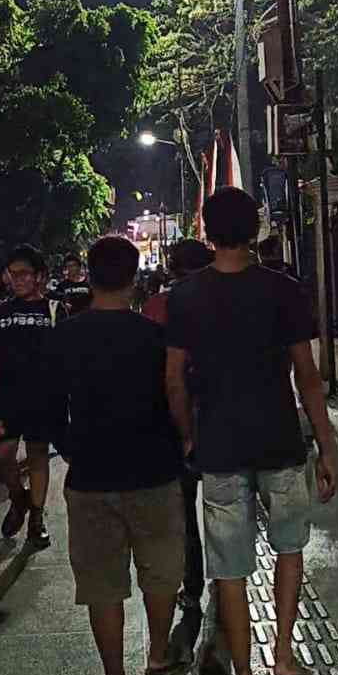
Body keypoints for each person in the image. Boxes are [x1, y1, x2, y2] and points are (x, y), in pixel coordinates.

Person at [166, 188, 338, 675]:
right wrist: (326, 447)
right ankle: (283, 655)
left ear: (206, 230)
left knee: (230, 570)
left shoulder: (186, 296)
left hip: (219, 444)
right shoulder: (284, 291)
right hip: (280, 440)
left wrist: (189, 434)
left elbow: (173, 378)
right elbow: (307, 377)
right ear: (257, 227)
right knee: (289, 550)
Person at [51, 235, 186, 675]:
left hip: (91, 473)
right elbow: (176, 397)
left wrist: (68, 447)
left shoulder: (65, 335)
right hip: (154, 468)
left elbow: (49, 406)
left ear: (88, 276)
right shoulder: (154, 337)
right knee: (161, 570)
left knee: (102, 583)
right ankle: (158, 655)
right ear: (134, 280)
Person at [142, 238, 213, 619]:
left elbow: (160, 374)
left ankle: (193, 586)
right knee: (223, 509)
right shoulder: (221, 301)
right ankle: (226, 581)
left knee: (184, 513)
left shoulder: (157, 307)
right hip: (219, 418)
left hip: (174, 420)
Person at [0, 245, 63, 548]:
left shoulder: (55, 310)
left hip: (44, 396)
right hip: (8, 395)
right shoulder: (1, 311)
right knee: (4, 455)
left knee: (38, 455)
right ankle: (19, 499)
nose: (17, 279)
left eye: (24, 273)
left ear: (39, 276)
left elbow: (65, 355)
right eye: (12, 274)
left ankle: (37, 519)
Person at [56, 251, 92, 315]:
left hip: (87, 317)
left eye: (73, 265)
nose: (71, 268)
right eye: (68, 266)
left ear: (79, 266)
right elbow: (58, 301)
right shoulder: (62, 285)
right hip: (69, 318)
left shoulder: (88, 283)